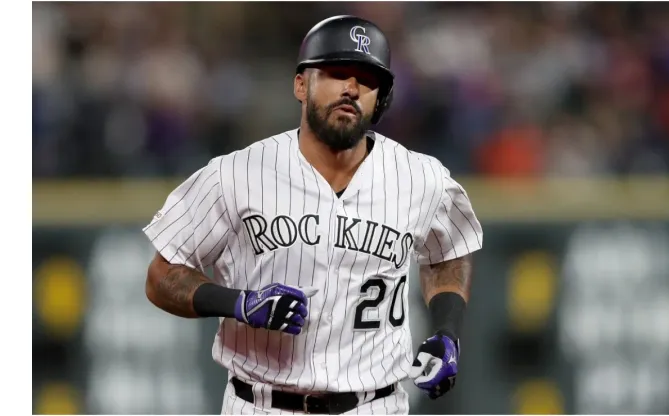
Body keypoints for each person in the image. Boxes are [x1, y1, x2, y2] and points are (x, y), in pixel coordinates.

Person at [142, 15, 483, 415]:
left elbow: (448, 254)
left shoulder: (422, 178)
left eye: (367, 79)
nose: (352, 89)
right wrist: (239, 303)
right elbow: (162, 276)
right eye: (337, 73)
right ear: (301, 84)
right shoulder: (234, 175)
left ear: (382, 98)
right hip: (262, 403)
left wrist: (446, 331)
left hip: (376, 405)